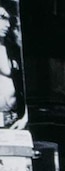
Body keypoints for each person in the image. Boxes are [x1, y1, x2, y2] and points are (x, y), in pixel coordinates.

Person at [0, 0, 25, 129]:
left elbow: (28, 84)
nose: (7, 24)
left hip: (13, 120)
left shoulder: (14, 50)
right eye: (2, 18)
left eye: (8, 19)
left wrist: (26, 116)